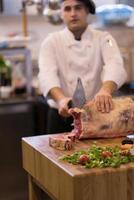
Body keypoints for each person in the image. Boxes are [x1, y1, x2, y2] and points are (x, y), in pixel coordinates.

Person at [38, 0, 127, 134]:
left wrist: (105, 91)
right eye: (67, 9)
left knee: (97, 153)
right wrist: (61, 99)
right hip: (62, 115)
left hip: (96, 115)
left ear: (86, 11)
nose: (73, 14)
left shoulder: (105, 38)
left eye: (78, 8)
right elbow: (46, 74)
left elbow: (115, 64)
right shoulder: (51, 42)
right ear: (61, 14)